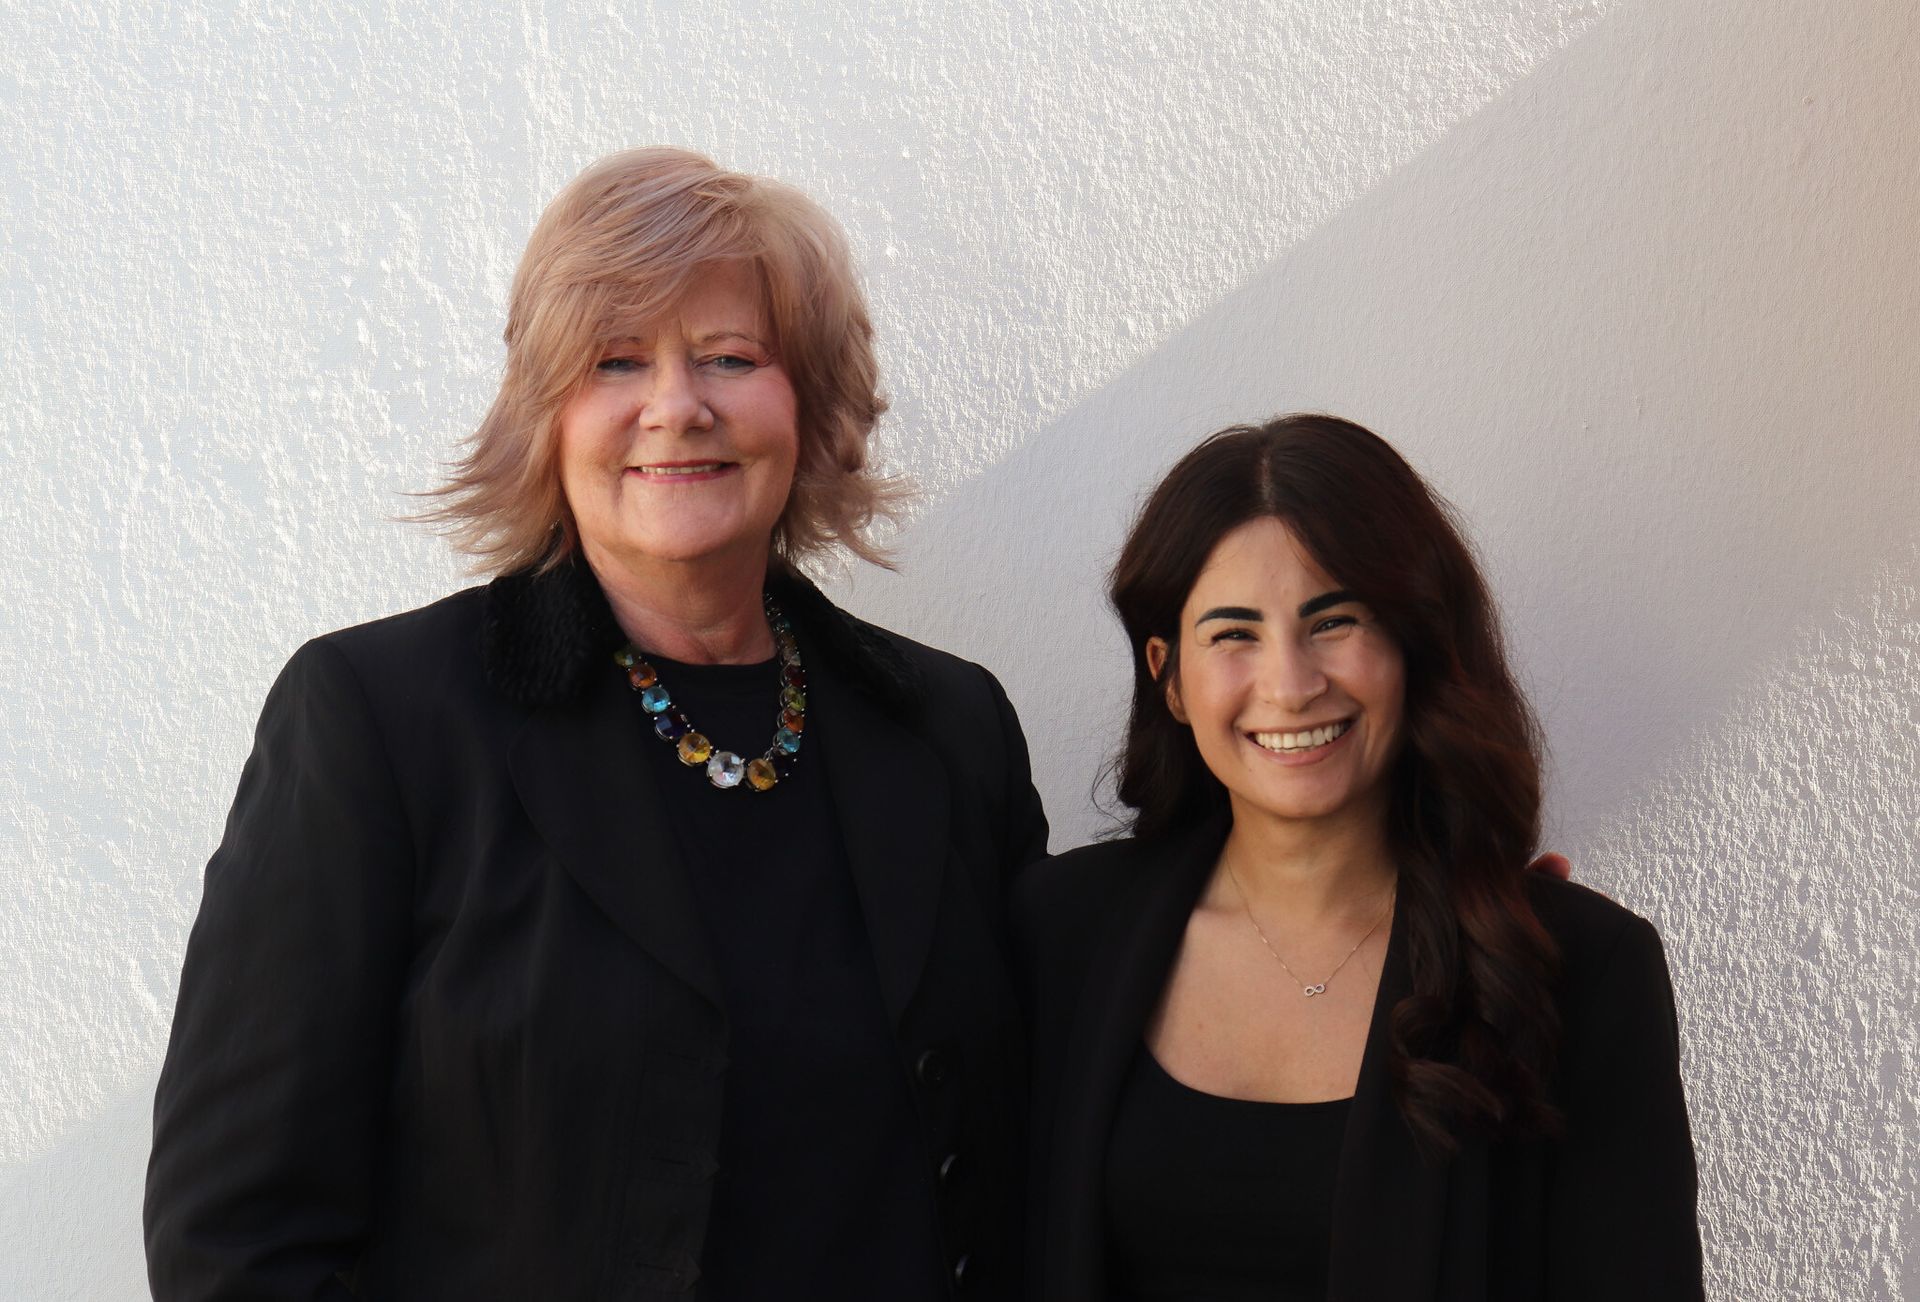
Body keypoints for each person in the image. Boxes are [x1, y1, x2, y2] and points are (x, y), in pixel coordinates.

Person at [145, 147, 1047, 1300]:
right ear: (545, 417)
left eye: (730, 356)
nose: (678, 407)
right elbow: (239, 1239)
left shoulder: (949, 726)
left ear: (807, 402)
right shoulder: (381, 721)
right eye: (617, 362)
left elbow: (1037, 1162)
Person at [1016, 414, 1703, 1301]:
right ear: (1171, 677)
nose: (1291, 684)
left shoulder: (1575, 970)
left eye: (1333, 620)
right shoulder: (1060, 933)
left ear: (1413, 645)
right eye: (1233, 633)